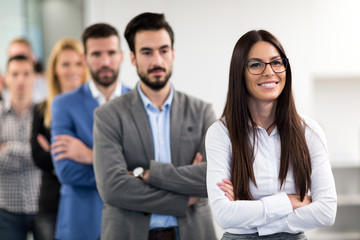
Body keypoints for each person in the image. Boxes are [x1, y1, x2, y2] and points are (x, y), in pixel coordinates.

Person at [93, 12, 217, 240]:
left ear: (173, 53)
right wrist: (183, 197)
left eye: (163, 50)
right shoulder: (108, 115)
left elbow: (214, 178)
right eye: (147, 52)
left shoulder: (201, 112)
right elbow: (113, 188)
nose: (157, 61)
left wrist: (147, 175)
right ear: (132, 58)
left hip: (192, 233)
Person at [205, 30, 337, 240]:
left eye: (276, 62)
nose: (269, 72)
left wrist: (253, 216)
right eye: (256, 64)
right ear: (240, 72)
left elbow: (326, 211)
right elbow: (224, 215)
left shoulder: (309, 132)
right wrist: (289, 201)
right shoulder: (221, 133)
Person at [50, 23, 131, 240]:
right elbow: (66, 170)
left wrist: (88, 155)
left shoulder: (139, 103)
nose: (105, 61)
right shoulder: (62, 104)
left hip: (129, 223)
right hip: (79, 224)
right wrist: (126, 171)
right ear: (85, 59)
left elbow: (147, 165)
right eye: (96, 54)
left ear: (122, 56)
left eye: (111, 53)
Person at [31, 38, 88, 240]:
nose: (72, 69)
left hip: (87, 200)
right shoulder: (41, 109)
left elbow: (106, 154)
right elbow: (38, 157)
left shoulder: (96, 109)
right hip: (51, 202)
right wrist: (73, 155)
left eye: (77, 63)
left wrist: (54, 151)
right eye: (65, 64)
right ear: (55, 69)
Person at [0, 55, 41, 239]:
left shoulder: (44, 114)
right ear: (6, 78)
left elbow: (48, 158)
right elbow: (38, 156)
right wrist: (33, 153)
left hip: (42, 205)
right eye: (15, 74)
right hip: (7, 209)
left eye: (26, 73)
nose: (20, 79)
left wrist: (7, 147)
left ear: (34, 76)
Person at [7, 38, 47, 103]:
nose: (18, 62)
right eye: (14, 57)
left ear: (32, 58)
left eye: (23, 57)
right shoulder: (3, 89)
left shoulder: (47, 87)